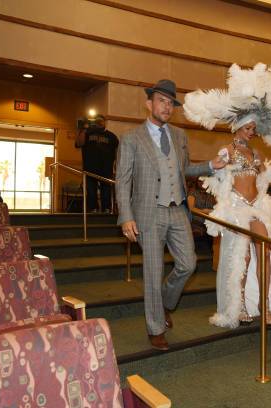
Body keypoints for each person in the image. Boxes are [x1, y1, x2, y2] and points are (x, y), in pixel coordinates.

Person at [184, 61, 271, 328]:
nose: (252, 133)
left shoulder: (255, 153)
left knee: (265, 250)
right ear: (238, 126)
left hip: (255, 205)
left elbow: (263, 180)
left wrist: (264, 171)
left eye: (253, 129)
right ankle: (237, 306)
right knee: (243, 256)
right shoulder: (228, 150)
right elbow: (215, 170)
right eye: (248, 128)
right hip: (236, 206)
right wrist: (218, 163)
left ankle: (263, 302)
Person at [115, 79, 225, 351]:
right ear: (149, 103)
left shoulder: (179, 136)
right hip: (147, 214)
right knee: (153, 272)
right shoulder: (131, 139)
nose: (166, 107)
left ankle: (164, 302)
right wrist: (126, 216)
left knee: (188, 264)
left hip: (177, 211)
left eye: (170, 103)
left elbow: (183, 170)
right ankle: (155, 327)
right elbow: (123, 180)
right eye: (161, 101)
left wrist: (211, 165)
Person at [76, 114, 119, 213]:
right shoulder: (87, 133)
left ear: (105, 122)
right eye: (97, 121)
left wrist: (117, 166)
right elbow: (79, 143)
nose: (99, 123)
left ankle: (106, 209)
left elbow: (117, 152)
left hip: (106, 169)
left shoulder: (112, 136)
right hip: (90, 169)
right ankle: (93, 209)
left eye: (101, 121)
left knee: (106, 192)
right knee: (91, 192)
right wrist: (83, 129)